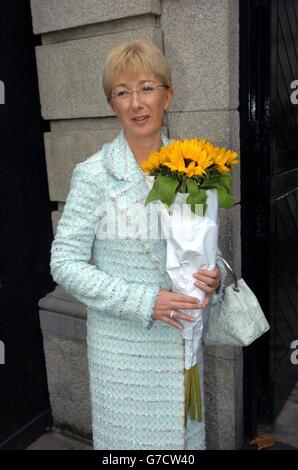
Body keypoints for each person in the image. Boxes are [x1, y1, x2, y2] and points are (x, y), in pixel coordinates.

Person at [50, 37, 226, 450]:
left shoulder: (194, 168)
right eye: (123, 92)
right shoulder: (95, 175)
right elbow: (64, 262)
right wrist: (145, 301)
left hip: (184, 349)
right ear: (112, 104)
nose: (136, 103)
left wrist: (212, 277)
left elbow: (200, 246)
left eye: (147, 88)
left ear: (168, 96)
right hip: (124, 356)